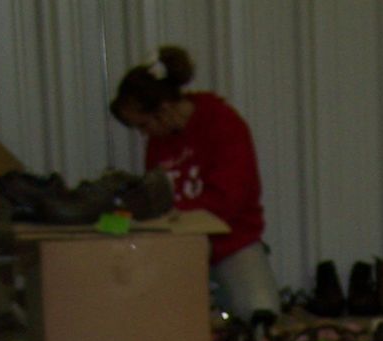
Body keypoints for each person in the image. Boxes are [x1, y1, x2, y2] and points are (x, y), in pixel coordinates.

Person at [110, 45, 281, 320]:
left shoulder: (223, 123)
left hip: (231, 242)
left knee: (260, 314)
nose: (144, 134)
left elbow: (228, 201)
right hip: (179, 245)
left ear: (163, 110)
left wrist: (175, 216)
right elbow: (157, 198)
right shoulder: (158, 142)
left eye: (144, 125)